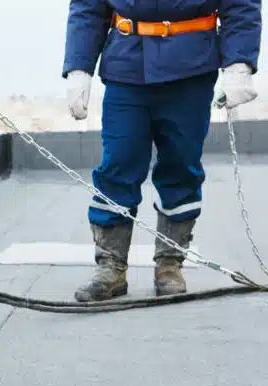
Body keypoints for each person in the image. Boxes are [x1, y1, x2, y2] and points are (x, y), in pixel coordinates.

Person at [63, 0, 261, 302]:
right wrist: (79, 67)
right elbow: (89, 6)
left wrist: (239, 64)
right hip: (127, 68)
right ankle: (110, 267)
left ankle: (170, 263)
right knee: (118, 164)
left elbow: (240, 5)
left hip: (191, 69)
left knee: (181, 167)